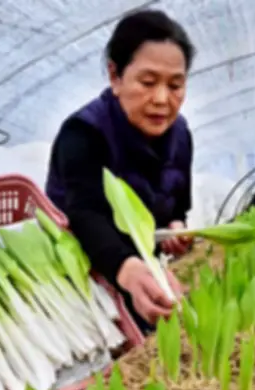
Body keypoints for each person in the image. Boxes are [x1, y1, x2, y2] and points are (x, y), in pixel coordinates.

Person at [46, 10, 196, 329]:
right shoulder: (83, 133)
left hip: (144, 266)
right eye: (148, 82)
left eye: (175, 86)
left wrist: (175, 226)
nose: (161, 99)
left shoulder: (181, 134)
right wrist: (128, 268)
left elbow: (179, 200)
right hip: (86, 269)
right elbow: (85, 214)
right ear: (115, 76)